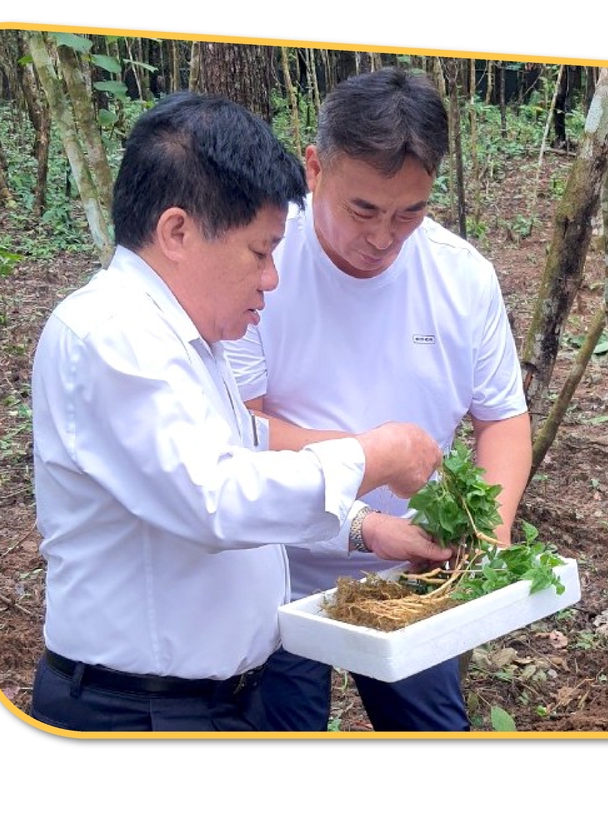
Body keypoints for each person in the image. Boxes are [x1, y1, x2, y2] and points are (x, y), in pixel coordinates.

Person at [25, 91, 442, 732]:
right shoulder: (109, 335)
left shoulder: (190, 345)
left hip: (216, 699)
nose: (271, 277)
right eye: (259, 252)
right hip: (138, 709)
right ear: (178, 231)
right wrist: (375, 453)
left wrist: (366, 530)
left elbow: (246, 458)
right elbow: (215, 498)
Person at [228, 68, 531, 733]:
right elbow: (240, 432)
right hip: (274, 566)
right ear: (314, 168)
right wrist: (375, 459)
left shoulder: (461, 278)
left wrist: (492, 536)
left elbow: (503, 418)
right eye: (362, 208)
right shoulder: (259, 266)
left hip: (413, 572)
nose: (384, 236)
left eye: (410, 212)